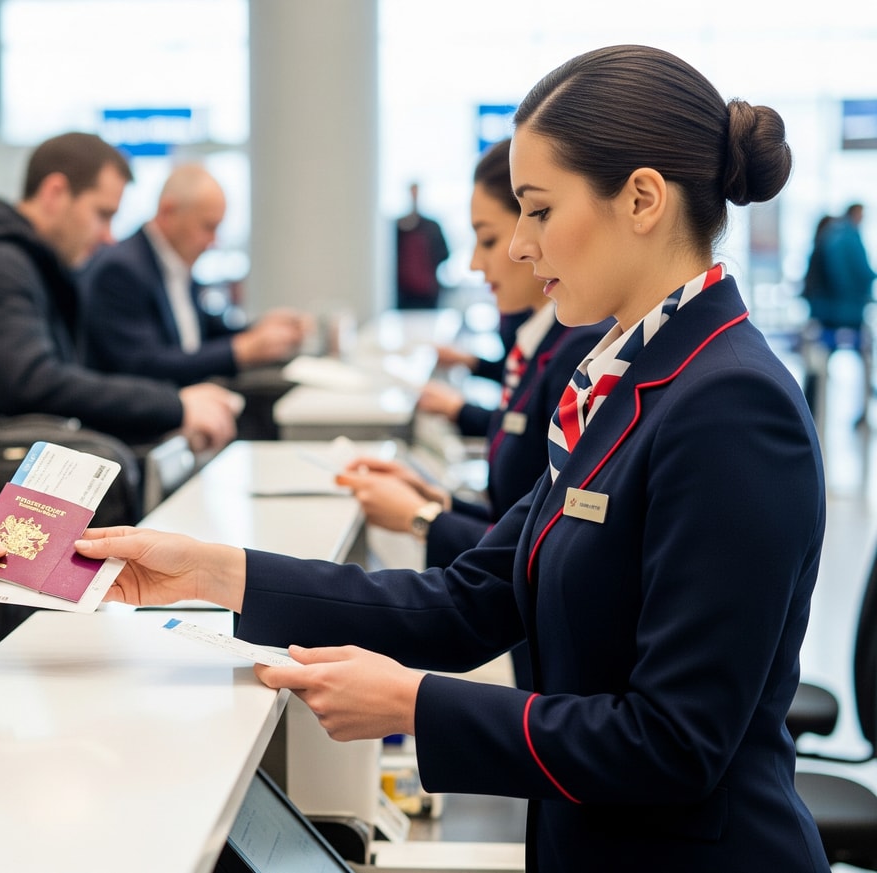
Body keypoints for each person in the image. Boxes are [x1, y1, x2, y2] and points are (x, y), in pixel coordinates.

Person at [78, 45, 826, 871]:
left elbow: (675, 742)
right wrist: (213, 572)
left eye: (539, 211)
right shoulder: (626, 375)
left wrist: (415, 703)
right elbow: (469, 599)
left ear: (642, 199)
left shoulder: (729, 404)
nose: (517, 248)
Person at [346, 139, 609, 570]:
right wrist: (438, 500)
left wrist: (425, 518)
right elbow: (527, 518)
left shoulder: (582, 351)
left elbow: (552, 551)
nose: (475, 262)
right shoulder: (543, 342)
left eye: (488, 239)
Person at [0, 131, 241, 453]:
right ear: (55, 193)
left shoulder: (36, 265)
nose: (109, 236)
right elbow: (35, 385)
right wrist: (174, 406)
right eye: (103, 215)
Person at [79, 163, 310, 385]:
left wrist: (258, 329)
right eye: (208, 227)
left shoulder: (177, 265)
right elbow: (144, 365)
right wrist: (242, 349)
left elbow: (205, 334)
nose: (214, 242)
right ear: (168, 212)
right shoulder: (122, 269)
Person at [801, 203, 876, 422]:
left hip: (826, 310)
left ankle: (809, 409)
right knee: (860, 357)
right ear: (855, 213)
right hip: (840, 313)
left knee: (817, 365)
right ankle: (860, 408)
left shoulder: (833, 234)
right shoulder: (846, 236)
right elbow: (852, 273)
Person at [394, 182, 450, 309]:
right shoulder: (399, 226)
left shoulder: (432, 226)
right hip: (404, 293)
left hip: (427, 292)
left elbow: (444, 253)